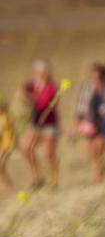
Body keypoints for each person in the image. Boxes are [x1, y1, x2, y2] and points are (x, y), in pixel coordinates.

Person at [20, 59, 60, 190]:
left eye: (43, 72)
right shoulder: (31, 85)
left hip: (49, 124)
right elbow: (21, 93)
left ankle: (54, 181)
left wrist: (32, 98)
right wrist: (26, 96)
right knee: (26, 149)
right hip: (35, 123)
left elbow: (49, 103)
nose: (41, 74)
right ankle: (37, 176)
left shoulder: (52, 86)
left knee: (49, 155)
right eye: (39, 72)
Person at [75, 63, 105, 183]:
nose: (96, 78)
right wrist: (78, 120)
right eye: (93, 75)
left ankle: (100, 174)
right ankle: (97, 174)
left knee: (100, 147)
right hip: (89, 121)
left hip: (103, 121)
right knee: (92, 151)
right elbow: (81, 104)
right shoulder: (87, 87)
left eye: (98, 75)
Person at [0, 102, 15, 192]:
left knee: (1, 167)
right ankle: (6, 186)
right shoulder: (5, 117)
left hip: (7, 144)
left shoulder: (6, 117)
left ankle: (7, 187)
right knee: (1, 167)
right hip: (4, 144)